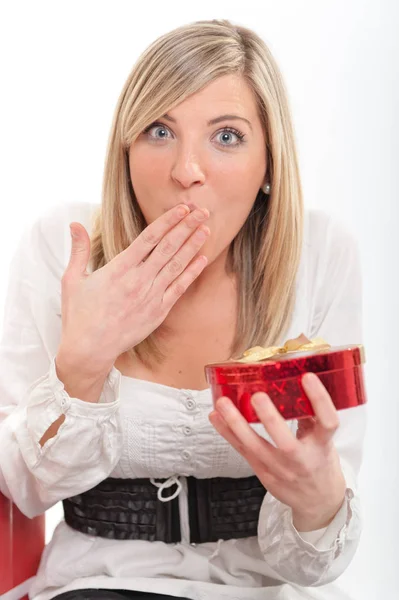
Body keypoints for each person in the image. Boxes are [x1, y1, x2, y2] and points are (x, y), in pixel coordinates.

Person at [0, 18, 366, 600]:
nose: (186, 171)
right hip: (96, 584)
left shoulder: (319, 255)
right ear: (126, 148)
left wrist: (318, 501)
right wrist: (82, 367)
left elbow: (313, 566)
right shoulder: (63, 247)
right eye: (159, 130)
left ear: (269, 163)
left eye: (226, 137)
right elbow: (22, 491)